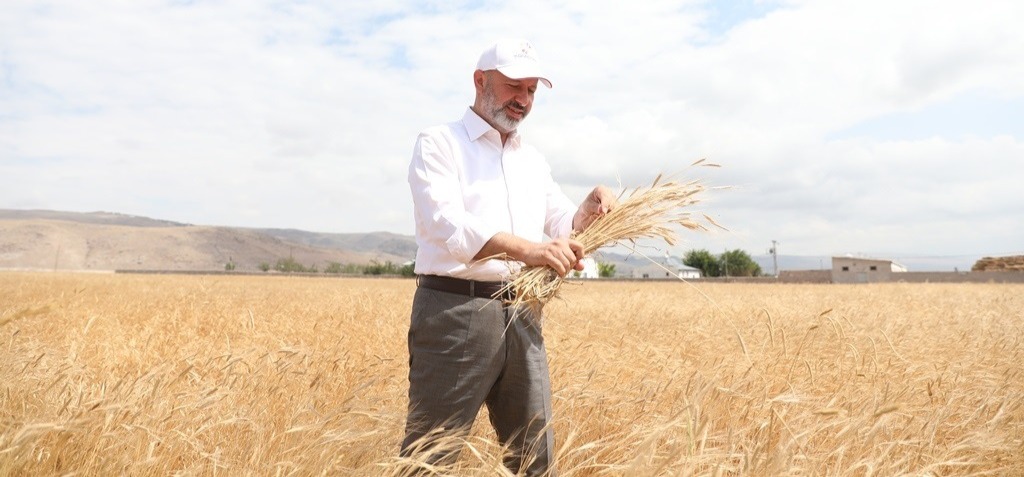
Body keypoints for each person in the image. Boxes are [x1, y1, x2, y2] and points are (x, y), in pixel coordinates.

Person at [402, 38, 617, 475]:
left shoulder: (531, 160)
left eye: (532, 91)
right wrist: (531, 250)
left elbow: (563, 223)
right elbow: (450, 227)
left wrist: (590, 210)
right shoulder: (439, 143)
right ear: (480, 81)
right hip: (456, 311)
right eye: (513, 86)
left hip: (523, 311)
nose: (523, 100)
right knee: (429, 459)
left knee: (534, 456)